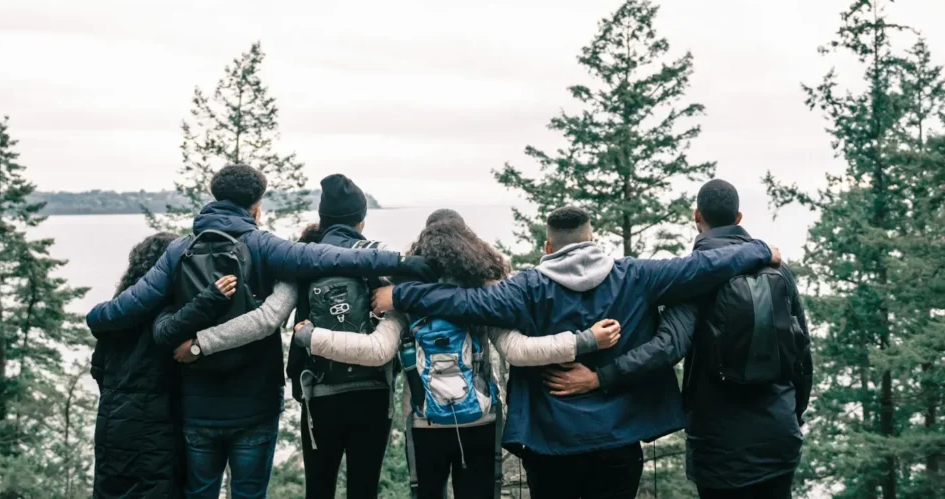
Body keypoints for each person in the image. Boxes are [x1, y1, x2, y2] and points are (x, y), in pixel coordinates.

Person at [373, 205, 782, 499]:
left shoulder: (526, 289)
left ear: (548, 247)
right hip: (619, 440)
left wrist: (403, 293)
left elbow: (463, 303)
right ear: (592, 240)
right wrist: (760, 251)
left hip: (550, 444)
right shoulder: (637, 276)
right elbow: (703, 268)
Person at [86, 164, 433, 499]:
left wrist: (99, 316)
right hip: (256, 406)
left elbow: (123, 310)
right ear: (256, 208)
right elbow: (330, 258)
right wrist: (400, 263)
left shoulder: (179, 250)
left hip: (198, 408)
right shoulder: (263, 246)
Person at [296, 208, 620, 499]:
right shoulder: (486, 292)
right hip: (482, 418)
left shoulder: (403, 295)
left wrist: (311, 337)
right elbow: (518, 351)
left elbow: (376, 351)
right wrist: (585, 341)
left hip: (425, 422)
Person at [546, 181, 812, 499]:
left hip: (719, 443)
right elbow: (802, 354)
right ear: (738, 218)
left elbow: (666, 347)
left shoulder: (695, 278)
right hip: (779, 434)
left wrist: (599, 378)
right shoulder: (777, 269)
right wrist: (791, 416)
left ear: (696, 216)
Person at [90, 232, 238, 498]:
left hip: (111, 427)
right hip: (156, 428)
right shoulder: (168, 315)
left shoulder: (115, 315)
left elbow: (98, 369)